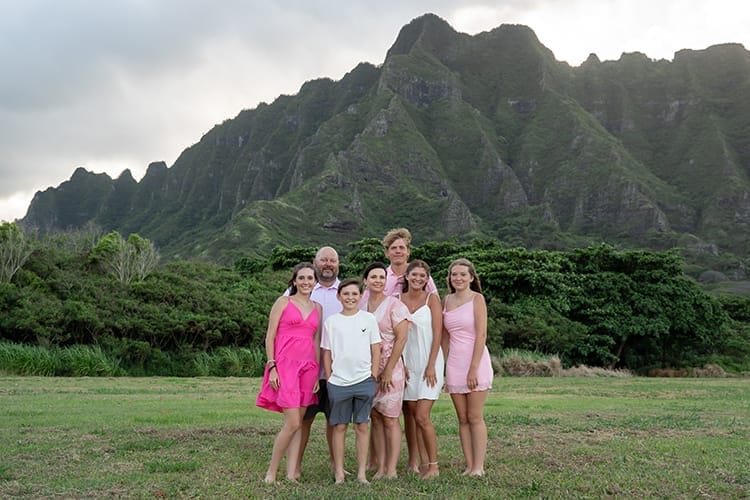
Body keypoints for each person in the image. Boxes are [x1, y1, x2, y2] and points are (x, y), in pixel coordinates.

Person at [378, 227, 438, 474]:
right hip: (396, 353)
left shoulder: (424, 281)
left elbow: (436, 323)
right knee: (397, 410)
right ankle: (381, 460)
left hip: (422, 353)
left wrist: (433, 362)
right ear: (387, 252)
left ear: (408, 251)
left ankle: (419, 461)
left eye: (402, 247)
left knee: (418, 413)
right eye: (394, 248)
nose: (398, 251)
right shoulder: (383, 278)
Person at [256, 262, 322, 483]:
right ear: (294, 281)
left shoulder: (318, 307)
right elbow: (270, 336)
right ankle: (271, 472)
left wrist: (317, 371)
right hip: (285, 366)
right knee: (292, 422)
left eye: (310, 278)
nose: (305, 282)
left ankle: (291, 474)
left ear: (315, 282)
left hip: (308, 368)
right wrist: (272, 366)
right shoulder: (283, 302)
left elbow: (316, 340)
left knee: (300, 423)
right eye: (301, 278)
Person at [322, 278, 381, 484]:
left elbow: (376, 348)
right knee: (339, 427)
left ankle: (361, 474)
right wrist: (329, 377)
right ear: (339, 296)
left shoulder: (368, 319)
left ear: (361, 296)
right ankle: (339, 472)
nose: (350, 297)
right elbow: (326, 352)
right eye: (346, 294)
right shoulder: (331, 322)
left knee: (362, 426)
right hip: (338, 382)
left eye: (354, 294)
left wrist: (373, 373)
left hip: (364, 380)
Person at [292, 246, 342, 478]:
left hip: (337, 370)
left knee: (335, 420)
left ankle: (335, 463)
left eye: (332, 260)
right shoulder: (301, 288)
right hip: (305, 369)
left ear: (338, 264)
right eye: (324, 260)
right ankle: (296, 465)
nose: (328, 264)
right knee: (304, 419)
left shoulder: (346, 291)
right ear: (315, 262)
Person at [442, 258, 493, 477]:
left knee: (474, 416)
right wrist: (443, 367)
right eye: (454, 274)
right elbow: (445, 337)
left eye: (463, 274)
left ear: (471, 277)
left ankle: (478, 467)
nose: (458, 278)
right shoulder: (446, 300)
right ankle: (469, 465)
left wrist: (473, 368)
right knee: (462, 418)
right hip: (455, 363)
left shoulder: (477, 299)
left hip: (476, 362)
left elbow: (481, 334)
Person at [360, 262, 410, 479]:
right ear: (365, 281)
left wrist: (388, 369)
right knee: (376, 416)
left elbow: (402, 338)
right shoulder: (361, 304)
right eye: (373, 277)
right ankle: (380, 466)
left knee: (390, 418)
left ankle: (391, 468)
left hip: (391, 367)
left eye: (382, 277)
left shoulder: (394, 305)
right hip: (367, 369)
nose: (378, 281)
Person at [399, 259, 444, 479]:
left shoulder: (432, 299)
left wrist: (431, 365)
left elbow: (438, 333)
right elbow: (395, 335)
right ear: (407, 276)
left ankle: (434, 466)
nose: (418, 279)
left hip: (429, 362)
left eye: (423, 276)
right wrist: (401, 365)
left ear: (427, 279)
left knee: (422, 416)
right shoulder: (397, 300)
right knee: (413, 414)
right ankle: (420, 462)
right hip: (407, 364)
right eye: (414, 275)